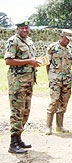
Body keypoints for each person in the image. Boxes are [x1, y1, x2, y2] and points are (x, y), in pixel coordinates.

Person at [5, 19, 39, 154]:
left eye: (26, 28)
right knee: (17, 112)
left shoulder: (29, 41)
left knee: (25, 111)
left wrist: (35, 62)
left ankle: (19, 139)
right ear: (17, 29)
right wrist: (29, 61)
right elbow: (8, 60)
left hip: (28, 82)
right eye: (22, 28)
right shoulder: (13, 41)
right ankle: (13, 143)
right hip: (17, 83)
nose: (25, 30)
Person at [45, 29, 72, 135]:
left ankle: (60, 125)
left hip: (67, 79)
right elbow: (47, 63)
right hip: (55, 78)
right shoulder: (52, 47)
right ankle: (48, 126)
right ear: (62, 36)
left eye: (70, 39)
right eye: (67, 39)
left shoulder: (71, 49)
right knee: (54, 101)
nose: (68, 41)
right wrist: (50, 77)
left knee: (64, 101)